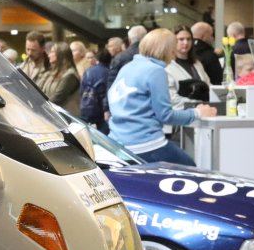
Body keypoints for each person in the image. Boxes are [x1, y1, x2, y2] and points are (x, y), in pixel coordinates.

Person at [107, 28, 215, 166]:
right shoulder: (156, 71)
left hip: (118, 143)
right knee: (191, 170)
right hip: (146, 143)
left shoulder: (128, 67)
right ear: (167, 50)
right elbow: (166, 115)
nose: (174, 54)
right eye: (173, 48)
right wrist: (198, 112)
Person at [79, 38, 122, 133]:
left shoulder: (88, 71)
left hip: (86, 108)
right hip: (101, 111)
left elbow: (82, 90)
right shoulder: (109, 73)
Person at [168, 27, 211, 98]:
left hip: (205, 103)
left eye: (188, 39)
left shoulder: (197, 63)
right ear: (173, 42)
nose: (186, 43)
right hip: (182, 104)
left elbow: (208, 85)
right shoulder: (168, 65)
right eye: (181, 39)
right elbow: (171, 96)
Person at [43, 42, 81, 110]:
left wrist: (42, 106)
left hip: (63, 114)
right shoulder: (52, 73)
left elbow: (58, 98)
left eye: (52, 52)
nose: (49, 55)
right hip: (50, 112)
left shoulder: (70, 75)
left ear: (60, 55)